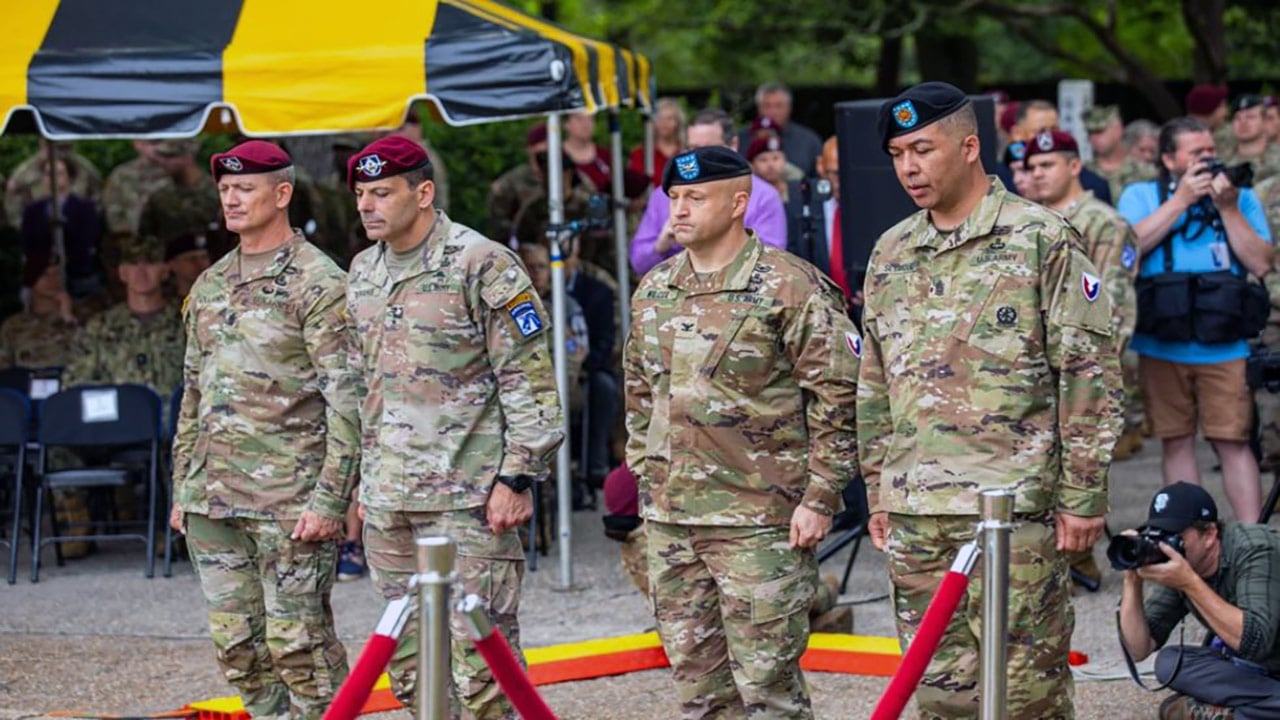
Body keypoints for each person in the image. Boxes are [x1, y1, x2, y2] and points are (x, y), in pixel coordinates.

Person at [859, 82, 1124, 719]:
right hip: (917, 509)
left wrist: (1083, 497)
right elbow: (874, 382)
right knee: (942, 694)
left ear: (970, 146)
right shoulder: (891, 251)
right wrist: (879, 489)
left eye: (922, 149)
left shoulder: (1041, 237)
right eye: (897, 154)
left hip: (1011, 508)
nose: (908, 168)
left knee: (1026, 694)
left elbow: (1088, 372)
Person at [624, 145, 859, 719]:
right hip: (673, 519)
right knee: (698, 689)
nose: (677, 210)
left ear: (738, 203)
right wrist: (644, 477)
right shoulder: (654, 290)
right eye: (673, 197)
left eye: (694, 198)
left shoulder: (789, 286)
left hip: (759, 521)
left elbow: (840, 395)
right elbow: (638, 393)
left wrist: (821, 496)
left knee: (768, 689)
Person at [345, 135, 563, 718]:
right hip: (390, 498)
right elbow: (361, 388)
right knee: (410, 667)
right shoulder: (363, 271)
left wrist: (517, 478)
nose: (368, 205)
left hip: (467, 497)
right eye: (361, 194)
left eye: (382, 193)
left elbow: (530, 379)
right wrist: (361, 485)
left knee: (484, 666)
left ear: (423, 193)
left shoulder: (480, 261)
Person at [171, 140, 357, 720]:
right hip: (213, 498)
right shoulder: (209, 284)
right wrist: (183, 485)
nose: (232, 198)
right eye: (225, 189)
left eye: (244, 188)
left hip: (289, 499)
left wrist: (332, 499)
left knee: (299, 646)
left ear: (282, 194)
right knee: (239, 649)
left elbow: (346, 401)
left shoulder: (318, 282)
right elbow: (193, 394)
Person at [1118, 117, 1273, 523]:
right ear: (1169, 159)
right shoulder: (1141, 195)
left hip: (1226, 345)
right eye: (1197, 153)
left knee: (1235, 442)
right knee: (1176, 441)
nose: (1209, 160)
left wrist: (1228, 209)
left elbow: (1260, 262)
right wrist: (1181, 201)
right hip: (1161, 343)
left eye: (1211, 151)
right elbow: (1126, 250)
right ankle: (1188, 536)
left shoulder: (1242, 197)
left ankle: (1251, 542)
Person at [1024, 129, 1143, 582]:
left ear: (1075, 166)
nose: (1037, 175)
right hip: (1033, 371)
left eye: (1047, 165)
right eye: (1032, 168)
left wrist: (1092, 373)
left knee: (1074, 473)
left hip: (1080, 369)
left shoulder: (1104, 223)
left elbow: (1114, 304)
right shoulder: (1029, 220)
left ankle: (1073, 561)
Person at [1117, 482, 1280, 719]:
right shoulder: (1186, 564)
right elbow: (1139, 649)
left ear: (1210, 535)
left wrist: (1189, 583)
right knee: (1169, 663)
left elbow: (1254, 642)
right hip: (1260, 668)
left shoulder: (1255, 549)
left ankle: (1242, 711)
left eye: (1175, 535)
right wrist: (1132, 580)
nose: (1165, 544)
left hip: (1265, 654)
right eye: (1159, 534)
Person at [629, 109, 787, 276]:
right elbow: (638, 265)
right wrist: (660, 246)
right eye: (693, 148)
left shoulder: (763, 196)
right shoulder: (664, 194)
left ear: (733, 145)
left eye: (709, 149)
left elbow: (771, 264)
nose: (699, 158)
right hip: (676, 297)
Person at [63, 234, 184, 399]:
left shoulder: (186, 324)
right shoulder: (100, 327)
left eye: (150, 263)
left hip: (174, 422)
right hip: (119, 421)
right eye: (133, 264)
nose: (141, 272)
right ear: (122, 272)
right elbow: (76, 385)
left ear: (165, 271)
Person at [21, 155, 104, 301]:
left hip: (79, 277)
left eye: (58, 173)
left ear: (69, 177)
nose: (52, 178)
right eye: (48, 174)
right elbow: (27, 243)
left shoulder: (85, 208)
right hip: (41, 278)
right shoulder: (32, 210)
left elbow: (89, 240)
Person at [785, 136, 853, 300]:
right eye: (835, 174)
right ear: (820, 166)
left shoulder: (872, 205)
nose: (841, 182)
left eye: (847, 173)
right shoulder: (801, 205)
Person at [137, 140, 225, 263]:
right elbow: (146, 235)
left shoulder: (219, 191)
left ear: (188, 157)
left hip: (216, 265)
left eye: (170, 157)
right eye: (162, 156)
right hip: (173, 268)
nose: (162, 162)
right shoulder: (160, 196)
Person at [4, 140, 103, 227]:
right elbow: (12, 202)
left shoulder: (86, 169)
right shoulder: (24, 172)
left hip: (77, 228)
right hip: (38, 229)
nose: (61, 153)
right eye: (56, 147)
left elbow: (98, 198)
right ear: (43, 145)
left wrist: (88, 223)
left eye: (66, 148)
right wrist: (24, 226)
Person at [739, 82, 824, 175]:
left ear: (789, 107)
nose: (773, 111)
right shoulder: (741, 139)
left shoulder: (809, 141)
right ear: (758, 107)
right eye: (767, 106)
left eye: (778, 106)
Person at [1085, 105, 1156, 201]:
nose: (1094, 138)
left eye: (1100, 131)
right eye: (1090, 133)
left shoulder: (1144, 172)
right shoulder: (1084, 172)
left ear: (1118, 130)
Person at [1222, 94, 1280, 184]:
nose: (1243, 122)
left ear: (1264, 121)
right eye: (1237, 118)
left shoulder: (1277, 158)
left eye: (1250, 117)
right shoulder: (1221, 159)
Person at [629, 98, 685, 186]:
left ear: (678, 122)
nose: (664, 123)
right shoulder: (640, 154)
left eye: (670, 118)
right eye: (660, 118)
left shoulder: (686, 152)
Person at [165, 233, 212, 300]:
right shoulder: (161, 302)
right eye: (191, 259)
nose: (200, 264)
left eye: (204, 257)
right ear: (173, 265)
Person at [747, 131, 789, 200]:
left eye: (775, 158)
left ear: (784, 161)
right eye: (763, 160)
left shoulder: (797, 189)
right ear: (752, 165)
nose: (771, 165)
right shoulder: (749, 195)